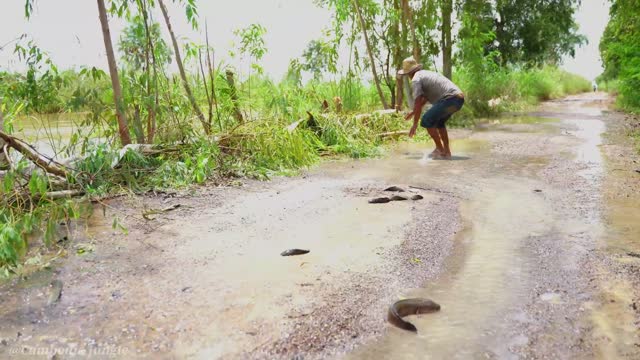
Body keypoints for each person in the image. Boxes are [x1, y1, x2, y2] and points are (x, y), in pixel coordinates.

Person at [398, 56, 464, 159]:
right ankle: (446, 152)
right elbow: (423, 100)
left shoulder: (416, 79)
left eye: (407, 75)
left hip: (450, 100)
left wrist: (415, 124)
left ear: (409, 73)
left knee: (426, 120)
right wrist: (414, 112)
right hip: (458, 101)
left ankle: (440, 149)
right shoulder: (425, 74)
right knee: (439, 123)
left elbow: (418, 102)